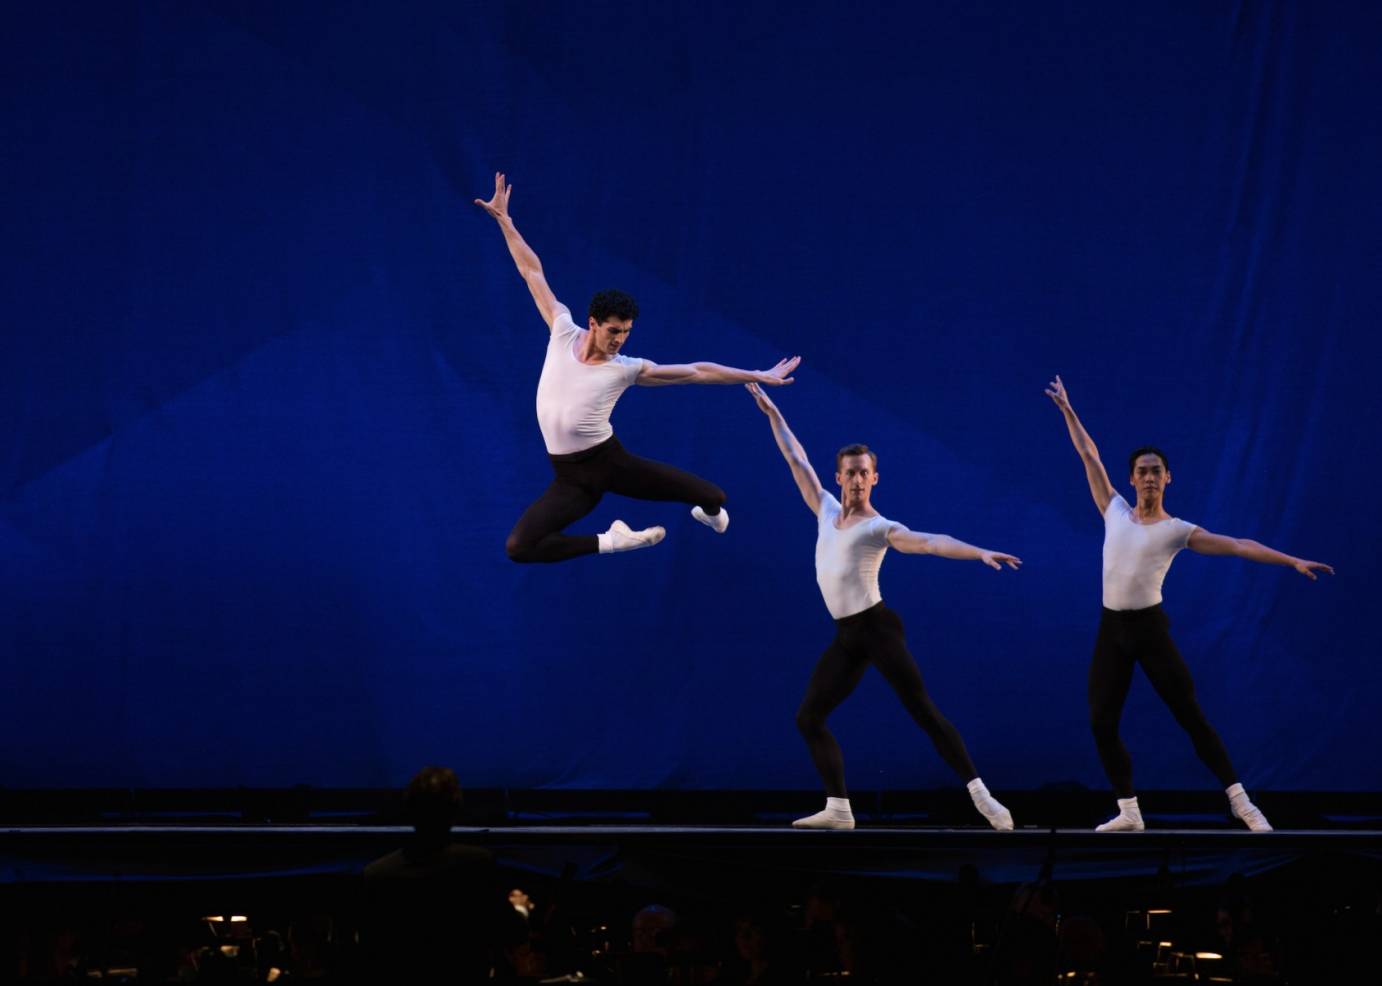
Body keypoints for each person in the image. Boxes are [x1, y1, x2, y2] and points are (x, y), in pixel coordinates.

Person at [1045, 374, 1333, 832]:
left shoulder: (1177, 530)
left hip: (1149, 631)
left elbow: (1237, 545)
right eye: (1142, 471)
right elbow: (1088, 454)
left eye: (1156, 471)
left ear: (1167, 478)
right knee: (1101, 721)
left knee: (1190, 717)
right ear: (1133, 479)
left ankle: (1242, 803)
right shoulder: (1114, 510)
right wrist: (1067, 410)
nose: (1149, 477)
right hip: (1111, 631)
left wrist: (1291, 560)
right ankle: (1129, 811)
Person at [475, 172, 800, 562]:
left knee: (714, 497)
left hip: (609, 464)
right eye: (614, 330)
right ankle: (614, 540)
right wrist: (505, 222)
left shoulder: (627, 369)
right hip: (569, 478)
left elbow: (697, 371)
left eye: (627, 332)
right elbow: (532, 272)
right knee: (519, 548)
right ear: (593, 322)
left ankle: (710, 515)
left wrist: (757, 374)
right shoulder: (562, 329)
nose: (621, 340)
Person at [745, 383, 1020, 831]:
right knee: (808, 717)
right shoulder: (824, 508)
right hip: (847, 636)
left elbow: (931, 542)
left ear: (874, 478)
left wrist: (978, 552)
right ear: (839, 477)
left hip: (877, 629)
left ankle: (982, 796)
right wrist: (773, 413)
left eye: (863, 473)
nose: (855, 479)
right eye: (849, 472)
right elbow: (797, 459)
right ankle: (838, 808)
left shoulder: (879, 527)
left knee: (922, 711)